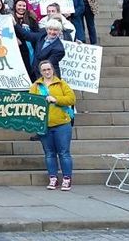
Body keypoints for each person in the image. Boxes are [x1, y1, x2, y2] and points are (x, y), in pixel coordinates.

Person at [31, 60, 77, 191]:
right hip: (44, 124)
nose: (47, 72)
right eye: (44, 70)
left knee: (64, 152)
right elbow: (30, 101)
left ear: (53, 70)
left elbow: (71, 99)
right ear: (40, 72)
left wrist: (56, 99)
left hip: (62, 124)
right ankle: (53, 178)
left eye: (48, 69)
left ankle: (67, 178)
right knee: (49, 153)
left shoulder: (61, 84)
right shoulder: (35, 86)